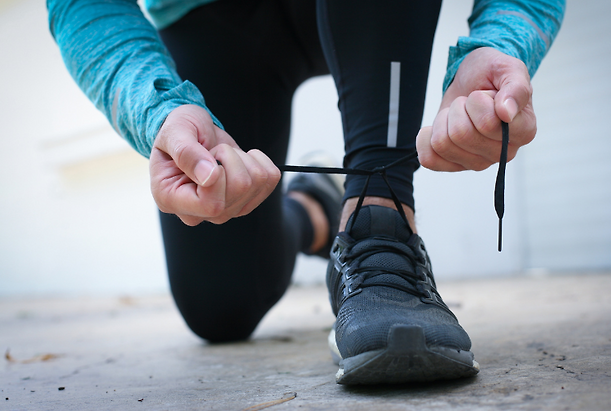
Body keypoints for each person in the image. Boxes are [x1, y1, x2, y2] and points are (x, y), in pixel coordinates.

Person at [47, 0, 565, 385]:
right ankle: (314, 210)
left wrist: (500, 42)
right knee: (220, 307)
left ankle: (379, 229)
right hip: (208, 16)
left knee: (372, 213)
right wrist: (159, 111)